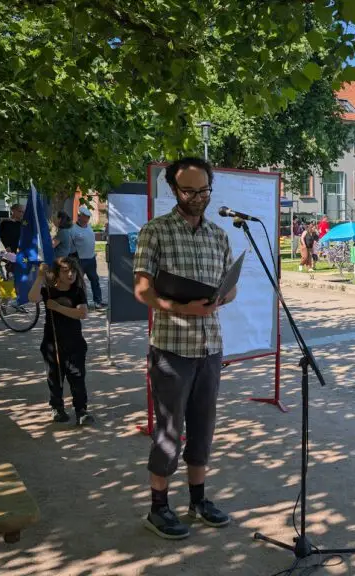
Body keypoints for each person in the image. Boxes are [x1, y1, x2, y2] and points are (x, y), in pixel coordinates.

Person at [133, 157, 237, 539]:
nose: (197, 198)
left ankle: (198, 500)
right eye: (188, 190)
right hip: (172, 350)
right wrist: (179, 307)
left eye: (203, 190)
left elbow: (232, 287)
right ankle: (158, 508)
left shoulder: (219, 235)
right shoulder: (155, 231)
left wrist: (217, 300)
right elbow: (142, 289)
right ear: (173, 189)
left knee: (203, 429)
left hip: (210, 347)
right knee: (169, 430)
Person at [28, 258, 91, 425]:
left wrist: (58, 308)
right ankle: (57, 407)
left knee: (77, 377)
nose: (70, 274)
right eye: (65, 271)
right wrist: (40, 276)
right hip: (52, 344)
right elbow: (32, 297)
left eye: (73, 271)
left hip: (75, 343)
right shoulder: (48, 291)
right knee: (55, 377)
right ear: (57, 273)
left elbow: (82, 314)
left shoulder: (77, 291)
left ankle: (81, 410)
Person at [71, 206, 104, 308]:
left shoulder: (89, 227)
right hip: (79, 260)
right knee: (78, 283)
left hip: (91, 259)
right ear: (79, 216)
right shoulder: (73, 229)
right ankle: (77, 303)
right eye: (85, 217)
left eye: (88, 217)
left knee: (95, 280)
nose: (87, 219)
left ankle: (98, 301)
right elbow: (70, 245)